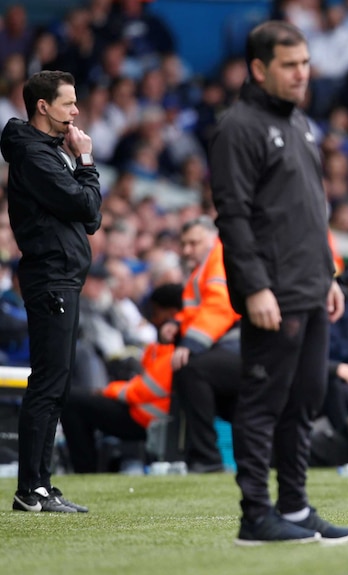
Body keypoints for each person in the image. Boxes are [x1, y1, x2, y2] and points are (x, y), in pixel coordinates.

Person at [208, 20, 348, 545]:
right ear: (258, 69)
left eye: (306, 63)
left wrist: (329, 274)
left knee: (305, 399)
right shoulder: (238, 128)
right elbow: (234, 217)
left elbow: (310, 211)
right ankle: (255, 515)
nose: (301, 74)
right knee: (263, 403)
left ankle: (293, 506)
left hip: (311, 286)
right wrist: (254, 288)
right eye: (290, 65)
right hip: (273, 291)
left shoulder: (301, 124)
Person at [1, 70, 102, 513]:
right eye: (68, 103)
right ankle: (31, 489)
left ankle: (40, 484)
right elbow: (86, 205)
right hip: (51, 277)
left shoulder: (47, 152)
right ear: (42, 106)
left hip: (62, 276)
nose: (76, 112)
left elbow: (91, 219)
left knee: (56, 383)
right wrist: (86, 163)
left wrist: (79, 168)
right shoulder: (34, 156)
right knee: (48, 383)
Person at [61, 284, 183, 473]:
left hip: (145, 418)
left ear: (172, 312)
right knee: (76, 399)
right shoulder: (167, 344)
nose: (153, 318)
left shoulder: (175, 346)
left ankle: (85, 470)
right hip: (143, 412)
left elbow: (146, 390)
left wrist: (108, 391)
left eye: (156, 312)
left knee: (72, 401)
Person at [165, 215, 242, 473]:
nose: (187, 250)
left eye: (193, 243)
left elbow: (219, 307)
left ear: (212, 239)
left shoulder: (219, 257)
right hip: (229, 346)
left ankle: (207, 459)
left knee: (192, 370)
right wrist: (177, 322)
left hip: (239, 344)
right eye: (184, 244)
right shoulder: (204, 266)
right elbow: (198, 309)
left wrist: (190, 344)